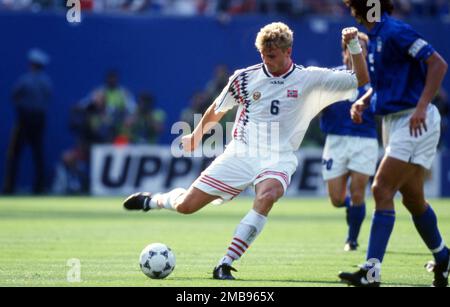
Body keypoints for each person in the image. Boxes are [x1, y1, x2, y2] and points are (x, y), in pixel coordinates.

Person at [123, 22, 369, 280]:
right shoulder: (244, 78)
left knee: (267, 195)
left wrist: (353, 44)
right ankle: (155, 201)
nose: (266, 60)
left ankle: (225, 263)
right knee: (186, 206)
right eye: (262, 54)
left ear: (288, 52)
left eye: (271, 55)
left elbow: (360, 79)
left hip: (279, 157)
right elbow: (218, 109)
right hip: (240, 153)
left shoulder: (309, 78)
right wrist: (196, 136)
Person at [338, 0, 449, 287]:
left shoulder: (396, 32)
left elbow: (438, 63)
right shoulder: (376, 38)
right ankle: (444, 256)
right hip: (393, 121)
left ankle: (371, 274)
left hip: (414, 119)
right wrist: (364, 101)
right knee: (413, 199)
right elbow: (380, 82)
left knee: (381, 188)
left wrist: (423, 106)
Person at [320, 32, 378, 251]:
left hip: (365, 139)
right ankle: (354, 210)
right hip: (335, 140)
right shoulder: (330, 78)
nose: (359, 52)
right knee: (336, 198)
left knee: (358, 191)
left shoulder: (375, 80)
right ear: (345, 51)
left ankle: (351, 239)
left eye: (363, 49)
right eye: (355, 48)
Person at [3, 48, 53, 194]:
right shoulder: (46, 82)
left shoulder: (25, 80)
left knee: (14, 153)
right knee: (38, 153)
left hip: (24, 120)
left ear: (31, 64)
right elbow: (48, 98)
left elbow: (15, 95)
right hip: (39, 120)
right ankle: (39, 187)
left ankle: (9, 187)